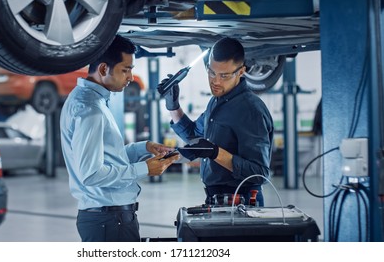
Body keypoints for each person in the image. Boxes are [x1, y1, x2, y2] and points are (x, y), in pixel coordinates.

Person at [60, 35, 179, 242]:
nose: (131, 78)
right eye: (126, 70)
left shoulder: (86, 99)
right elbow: (91, 174)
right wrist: (144, 169)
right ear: (104, 69)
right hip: (109, 220)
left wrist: (144, 147)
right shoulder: (91, 110)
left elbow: (106, 156)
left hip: (108, 219)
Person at [159, 37, 273, 206]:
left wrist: (216, 153)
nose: (216, 81)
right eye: (212, 72)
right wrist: (173, 106)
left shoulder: (250, 110)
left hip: (242, 203)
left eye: (224, 75)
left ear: (241, 72)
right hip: (216, 200)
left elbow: (259, 173)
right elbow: (194, 136)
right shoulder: (217, 101)